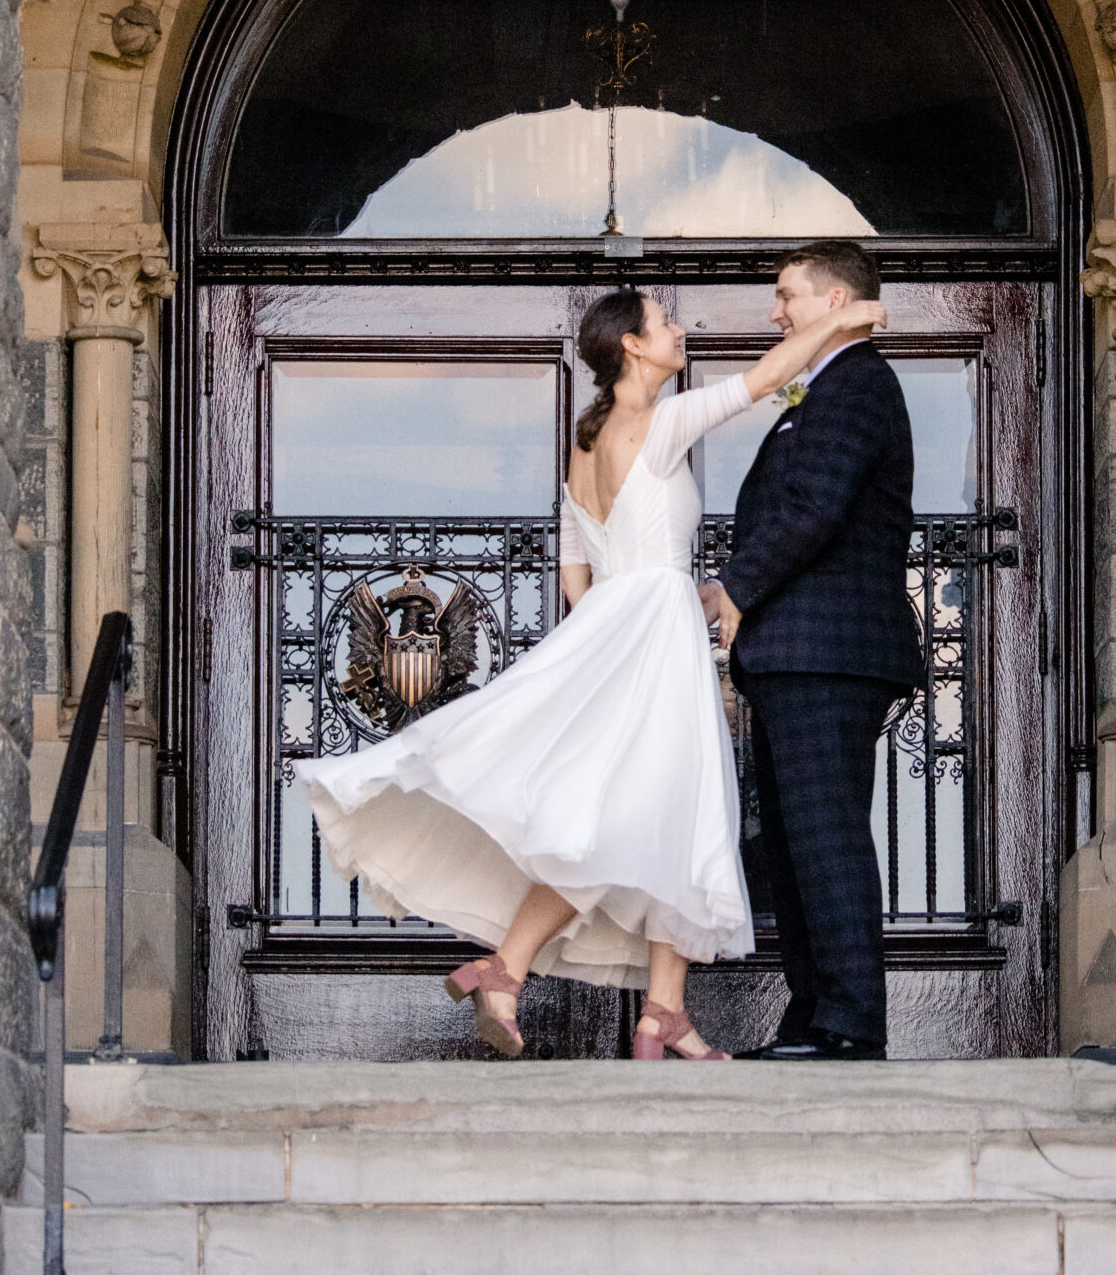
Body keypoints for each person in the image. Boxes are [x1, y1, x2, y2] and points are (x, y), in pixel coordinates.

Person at [299, 284, 884, 1059]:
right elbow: (766, 378)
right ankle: (515, 969)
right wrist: (844, 319)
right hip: (656, 636)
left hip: (617, 628)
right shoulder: (659, 421)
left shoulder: (585, 444)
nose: (681, 332)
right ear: (634, 347)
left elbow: (577, 580)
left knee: (659, 814)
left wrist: (603, 643)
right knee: (636, 816)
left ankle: (660, 1010)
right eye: (666, 323)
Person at [700, 240, 922, 1061]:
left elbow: (812, 506)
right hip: (800, 653)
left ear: (835, 301)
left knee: (825, 839)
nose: (776, 309)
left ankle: (849, 1023)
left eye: (788, 294)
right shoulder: (822, 388)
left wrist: (733, 586)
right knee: (795, 846)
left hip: (829, 651)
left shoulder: (859, 383)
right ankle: (813, 1016)